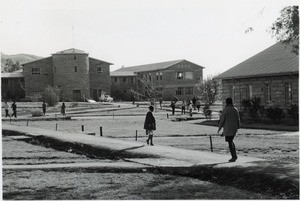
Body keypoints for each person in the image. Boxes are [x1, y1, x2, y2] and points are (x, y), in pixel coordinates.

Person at [218, 97, 240, 162]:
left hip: (228, 128)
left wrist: (219, 128)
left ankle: (234, 156)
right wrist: (238, 126)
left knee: (230, 142)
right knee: (231, 141)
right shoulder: (235, 109)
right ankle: (234, 155)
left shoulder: (225, 110)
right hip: (234, 128)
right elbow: (238, 119)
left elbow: (222, 120)